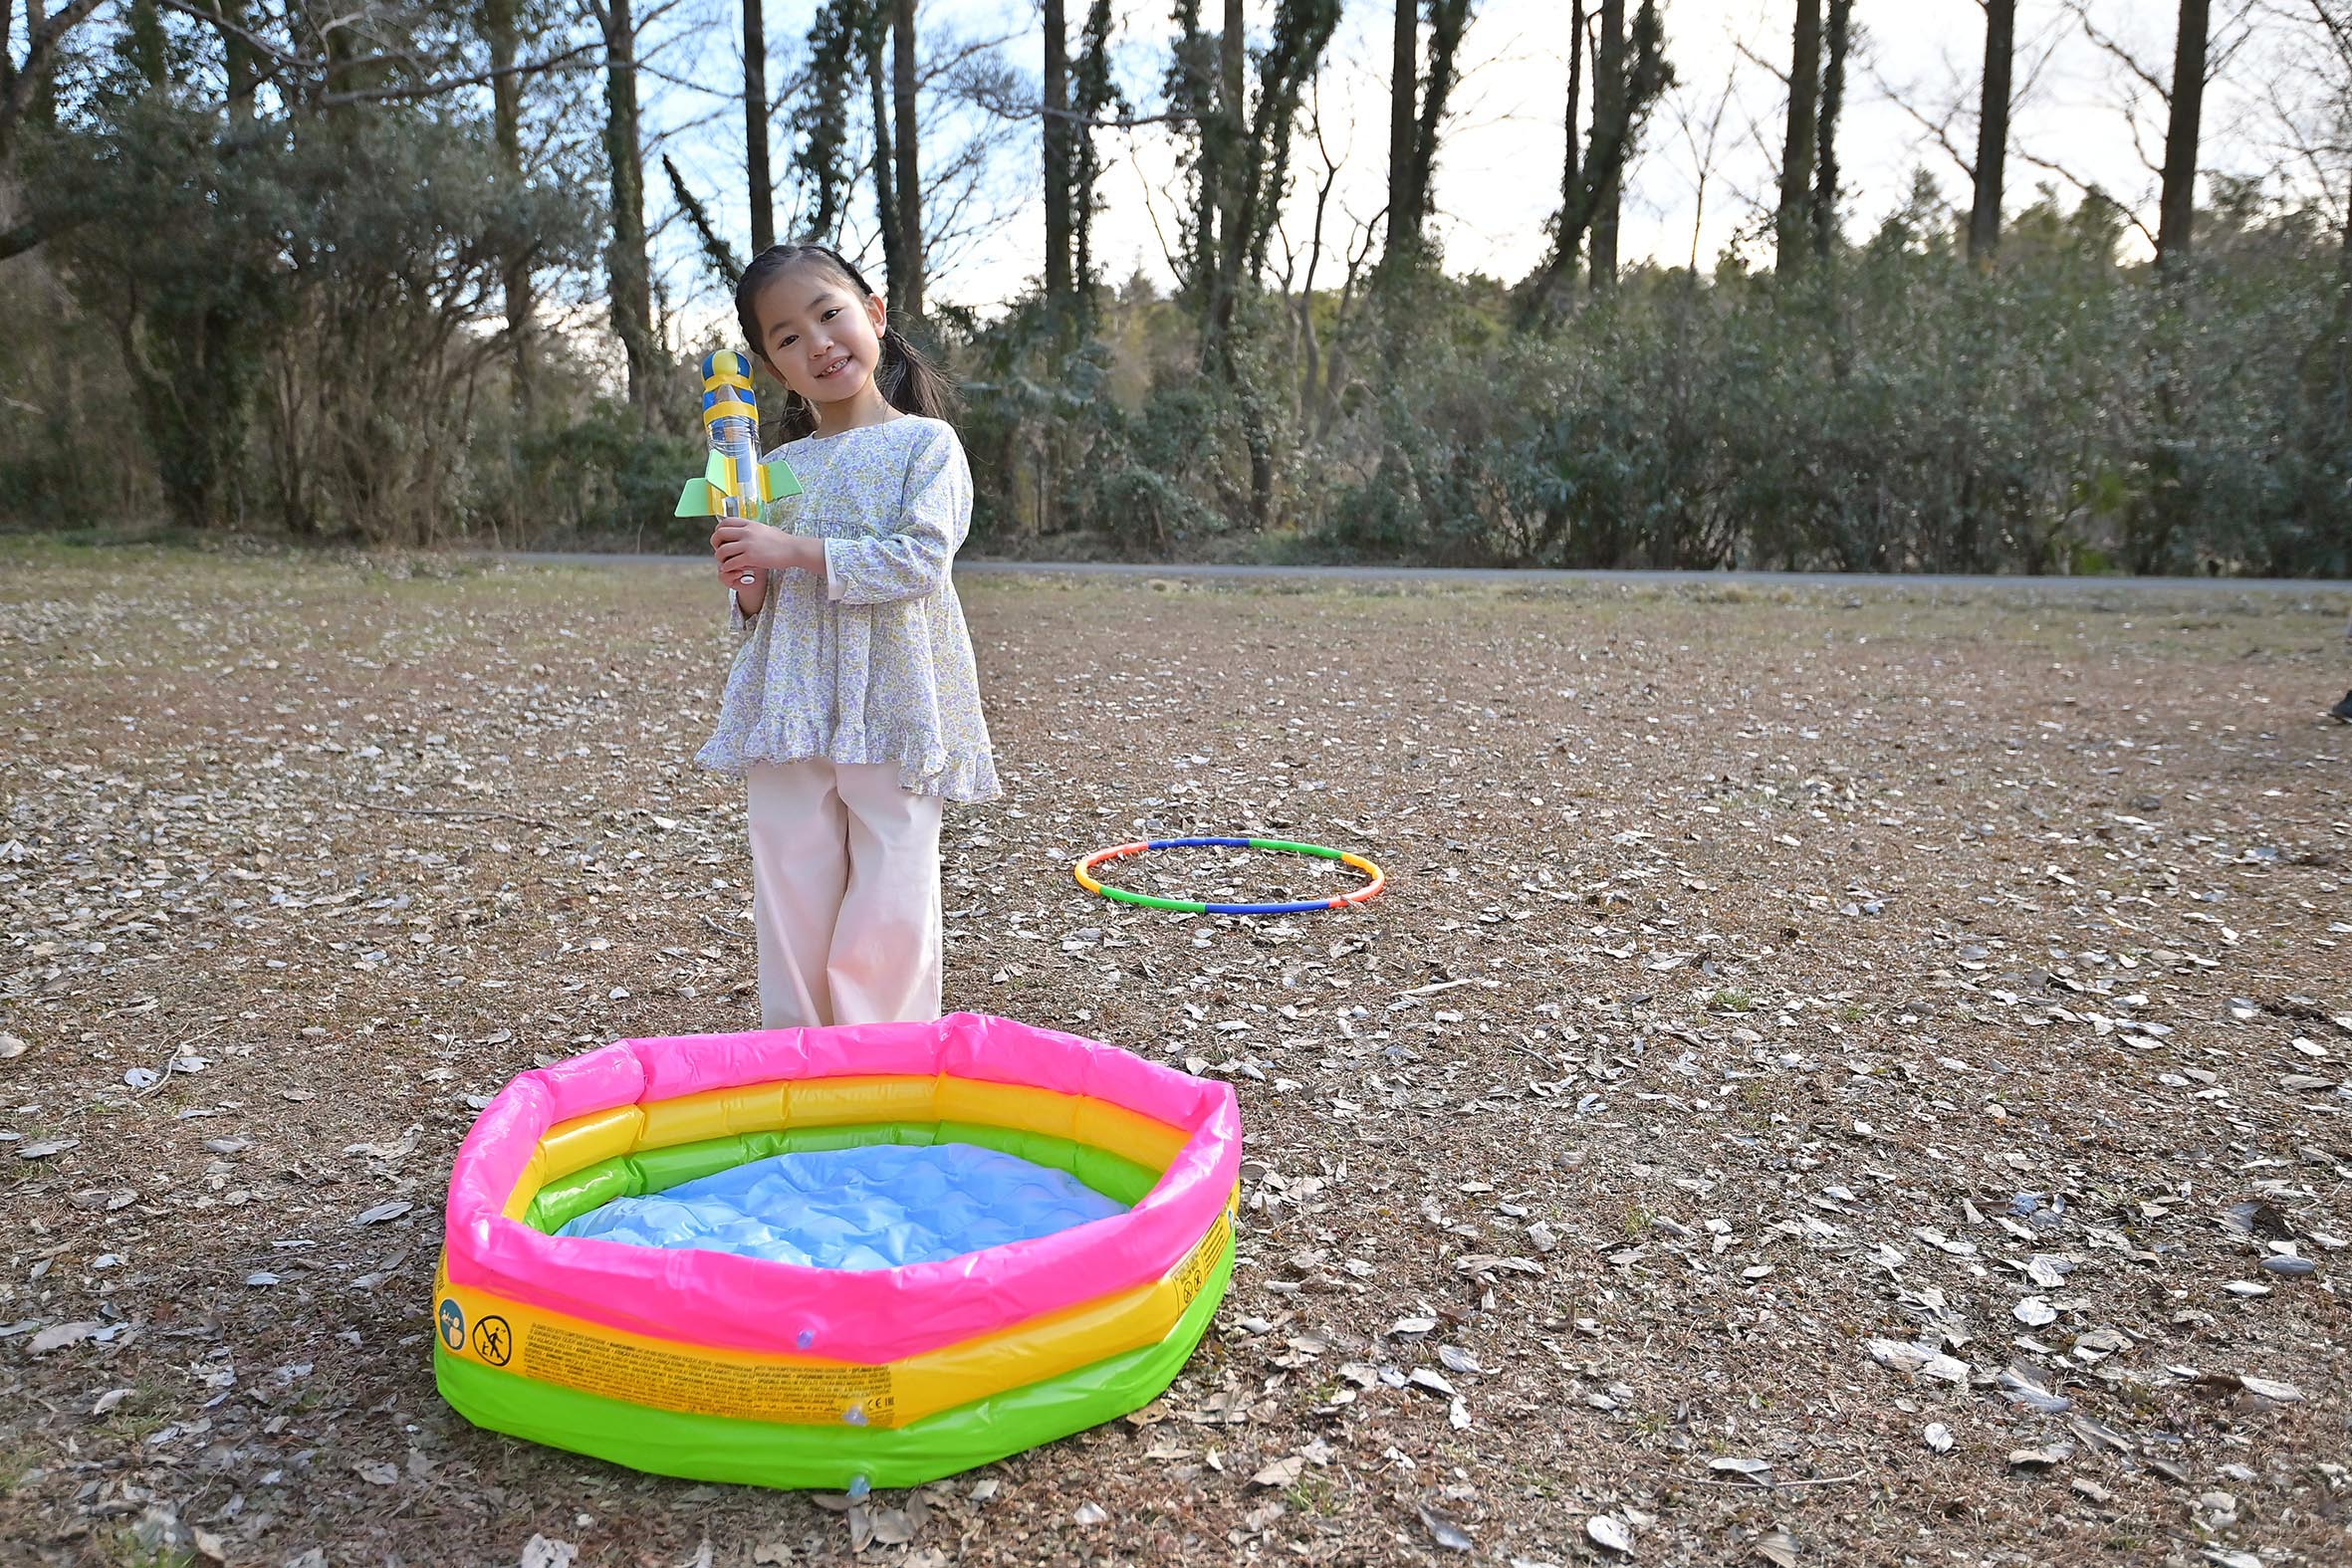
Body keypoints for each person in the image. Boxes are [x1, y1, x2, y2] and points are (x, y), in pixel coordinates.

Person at [695, 243, 999, 1028]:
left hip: (895, 696)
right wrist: (747, 573)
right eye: (789, 337)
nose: (819, 343)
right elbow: (758, 605)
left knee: (891, 891)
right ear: (773, 367)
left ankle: (882, 1060)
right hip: (791, 702)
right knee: (790, 889)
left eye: (830, 315)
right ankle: (798, 1058)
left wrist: (791, 549)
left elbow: (921, 560)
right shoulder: (775, 466)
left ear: (874, 313)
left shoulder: (926, 445)